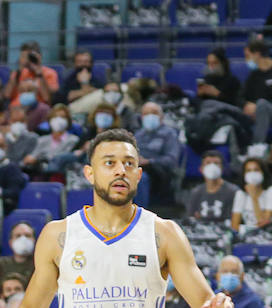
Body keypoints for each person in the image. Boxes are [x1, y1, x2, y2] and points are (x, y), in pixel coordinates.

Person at [18, 129, 231, 308]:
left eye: (128, 164)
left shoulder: (165, 233)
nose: (121, 171)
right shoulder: (58, 235)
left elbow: (204, 302)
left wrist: (218, 304)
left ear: (138, 175)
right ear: (89, 174)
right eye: (109, 163)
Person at [187, 149, 239, 224]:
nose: (212, 166)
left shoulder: (233, 191)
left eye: (216, 163)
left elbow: (233, 219)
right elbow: (191, 218)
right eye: (208, 163)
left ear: (222, 168)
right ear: (201, 169)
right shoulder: (196, 192)